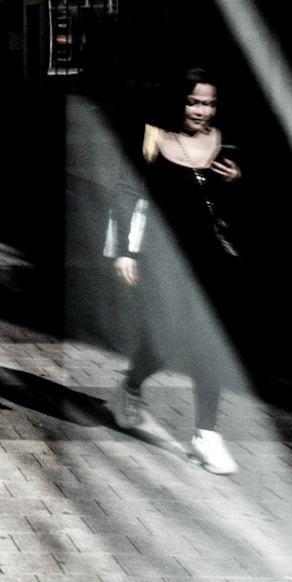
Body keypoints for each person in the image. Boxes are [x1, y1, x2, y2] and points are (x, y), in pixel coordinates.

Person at [106, 67, 244, 475]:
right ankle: (130, 387)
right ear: (178, 100)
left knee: (208, 339)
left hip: (211, 259)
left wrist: (237, 176)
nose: (202, 111)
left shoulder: (226, 140)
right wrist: (125, 252)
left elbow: (253, 192)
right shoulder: (154, 137)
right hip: (161, 257)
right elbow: (128, 189)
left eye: (209, 103)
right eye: (194, 101)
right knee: (163, 341)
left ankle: (206, 434)